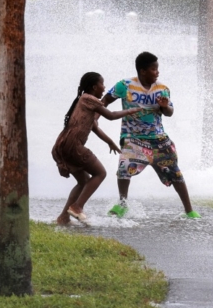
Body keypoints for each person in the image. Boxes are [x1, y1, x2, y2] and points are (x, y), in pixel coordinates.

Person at [102, 52, 201, 219]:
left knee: (175, 173)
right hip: (133, 137)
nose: (157, 72)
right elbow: (104, 102)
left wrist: (164, 106)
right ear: (143, 71)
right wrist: (94, 117)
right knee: (124, 166)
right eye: (154, 69)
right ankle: (122, 204)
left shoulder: (162, 89)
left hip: (158, 139)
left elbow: (169, 113)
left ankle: (189, 211)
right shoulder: (124, 85)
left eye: (157, 69)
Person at [52, 72, 143, 224]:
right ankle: (77, 206)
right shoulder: (89, 98)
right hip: (73, 145)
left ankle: (63, 217)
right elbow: (111, 115)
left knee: (83, 181)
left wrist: (110, 142)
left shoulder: (84, 103)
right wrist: (130, 111)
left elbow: (94, 128)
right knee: (100, 173)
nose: (104, 87)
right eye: (102, 84)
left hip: (62, 145)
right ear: (95, 87)